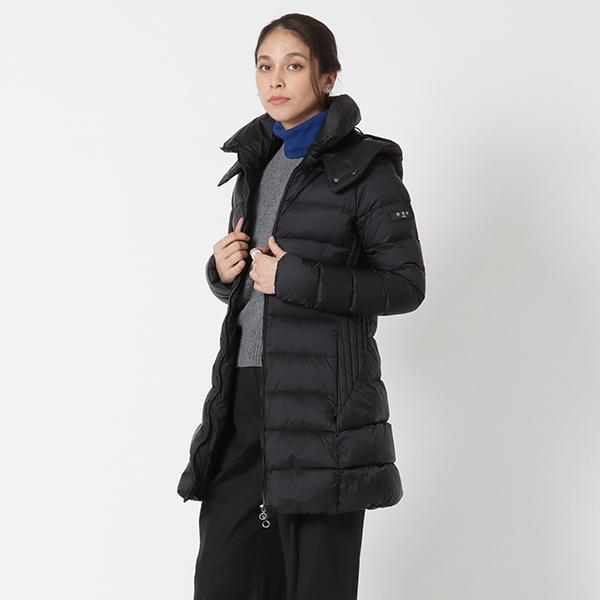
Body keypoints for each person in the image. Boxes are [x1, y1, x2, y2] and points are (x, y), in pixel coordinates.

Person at [178, 12, 426, 600]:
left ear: (327, 77)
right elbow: (257, 287)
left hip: (322, 410)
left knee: (315, 586)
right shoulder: (256, 162)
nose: (276, 79)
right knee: (225, 576)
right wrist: (224, 273)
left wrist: (294, 277)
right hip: (243, 396)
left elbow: (405, 285)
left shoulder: (364, 168)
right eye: (265, 66)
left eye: (293, 65)